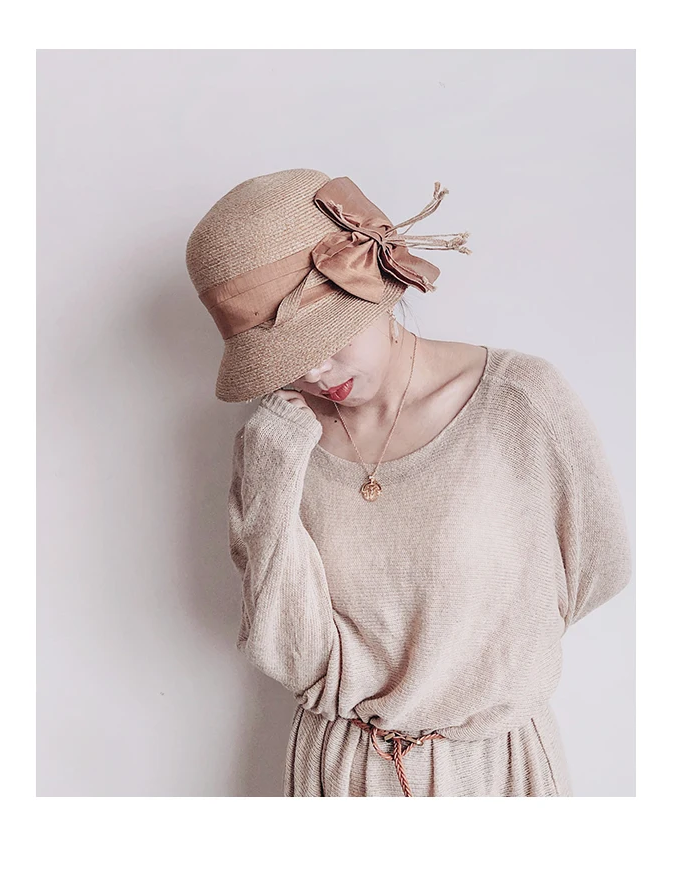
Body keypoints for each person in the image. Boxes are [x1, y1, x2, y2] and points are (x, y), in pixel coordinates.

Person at [185, 168, 633, 797]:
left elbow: (600, 569)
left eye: (326, 336)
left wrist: (468, 675)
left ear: (377, 285)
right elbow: (286, 649)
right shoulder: (276, 442)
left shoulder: (521, 402)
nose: (314, 371)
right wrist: (273, 472)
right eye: (285, 357)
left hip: (497, 765)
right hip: (342, 769)